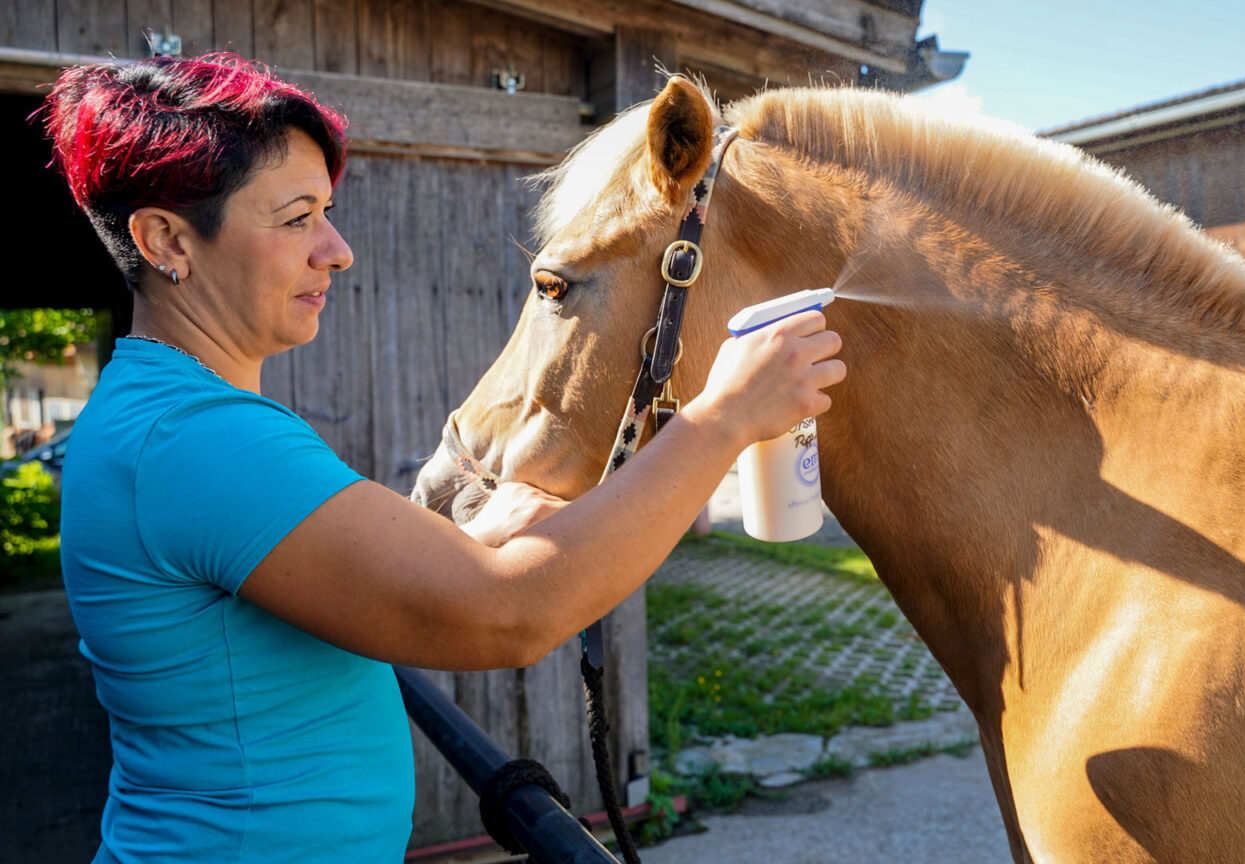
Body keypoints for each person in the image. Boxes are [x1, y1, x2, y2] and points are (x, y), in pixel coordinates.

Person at [46, 53, 845, 863]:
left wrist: (483, 536)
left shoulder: (165, 416)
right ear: (164, 239)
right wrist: (725, 416)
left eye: (327, 211)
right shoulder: (191, 438)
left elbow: (351, 572)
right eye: (296, 219)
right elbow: (510, 615)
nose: (337, 248)